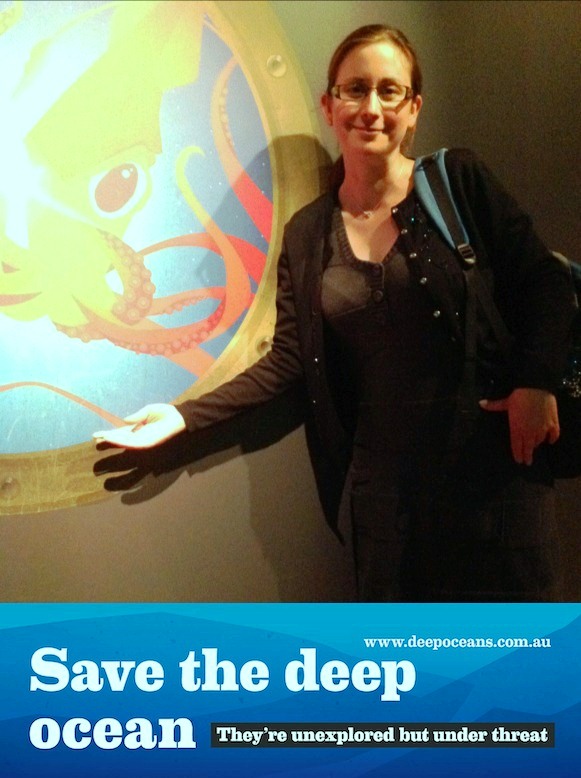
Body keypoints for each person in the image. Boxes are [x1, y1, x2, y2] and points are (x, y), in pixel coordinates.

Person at [94, 24, 576, 602]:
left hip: (494, 484)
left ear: (414, 109)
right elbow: (289, 361)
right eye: (355, 89)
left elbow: (545, 281)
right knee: (400, 658)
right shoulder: (307, 234)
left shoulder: (458, 182)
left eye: (389, 91)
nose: (371, 108)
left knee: (518, 655)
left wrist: (534, 383)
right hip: (386, 507)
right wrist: (183, 417)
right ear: (329, 106)